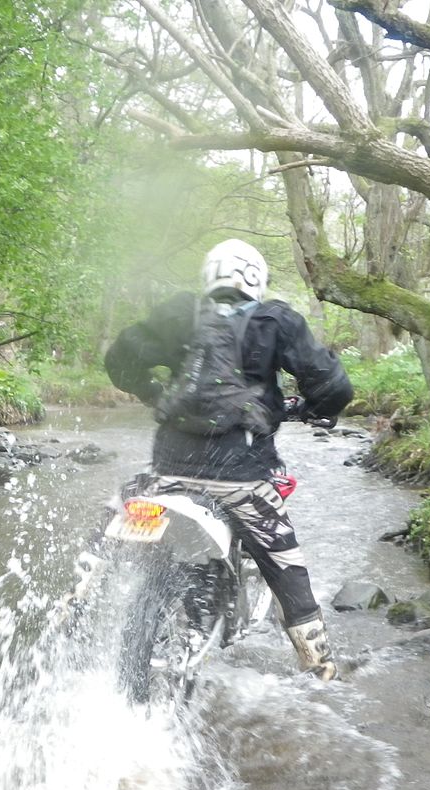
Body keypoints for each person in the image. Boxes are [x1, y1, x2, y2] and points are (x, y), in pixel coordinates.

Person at [103, 238, 353, 680]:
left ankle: (77, 605)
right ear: (257, 278)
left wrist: (154, 393)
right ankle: (321, 670)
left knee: (122, 525)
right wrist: (314, 409)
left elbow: (120, 360)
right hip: (241, 475)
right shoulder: (276, 320)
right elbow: (332, 388)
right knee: (285, 564)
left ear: (208, 275)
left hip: (169, 471)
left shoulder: (180, 314)